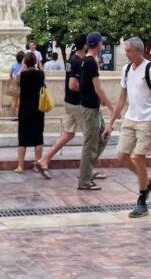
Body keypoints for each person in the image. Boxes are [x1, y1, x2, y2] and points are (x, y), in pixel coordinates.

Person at [105, 37, 151, 218]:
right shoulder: (127, 69)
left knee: (139, 158)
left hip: (146, 121)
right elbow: (121, 99)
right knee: (122, 156)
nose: (126, 54)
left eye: (128, 51)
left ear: (138, 51)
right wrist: (111, 123)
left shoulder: (150, 68)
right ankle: (147, 182)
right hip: (130, 119)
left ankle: (142, 201)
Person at [36, 35, 87, 178]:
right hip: (77, 103)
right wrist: (89, 90)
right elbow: (73, 85)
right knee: (91, 137)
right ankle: (87, 171)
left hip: (69, 102)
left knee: (68, 134)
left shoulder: (71, 59)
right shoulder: (79, 61)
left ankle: (44, 160)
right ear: (85, 46)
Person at [77, 32, 113, 190]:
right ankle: (84, 180)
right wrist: (111, 106)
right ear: (98, 44)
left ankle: (86, 171)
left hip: (92, 107)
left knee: (103, 137)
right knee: (90, 144)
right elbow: (98, 88)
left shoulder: (86, 60)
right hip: (91, 108)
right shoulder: (90, 62)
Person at [15, 52, 45, 173]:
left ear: (25, 62)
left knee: (22, 138)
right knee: (38, 137)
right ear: (35, 62)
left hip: (24, 109)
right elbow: (43, 75)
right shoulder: (40, 74)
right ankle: (37, 164)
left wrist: (22, 67)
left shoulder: (23, 75)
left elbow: (16, 79)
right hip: (38, 108)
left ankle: (20, 166)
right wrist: (38, 65)